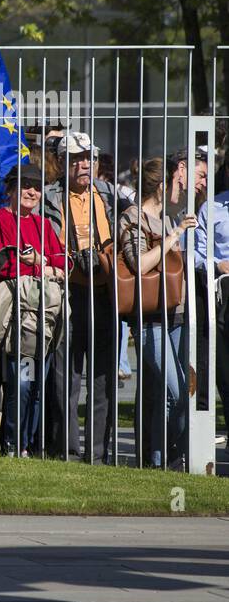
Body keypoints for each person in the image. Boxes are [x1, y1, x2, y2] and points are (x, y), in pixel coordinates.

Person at [42, 130, 130, 462]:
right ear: (62, 162)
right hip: (68, 291)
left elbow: (148, 204)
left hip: (105, 292)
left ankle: (98, 452)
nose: (83, 164)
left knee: (104, 378)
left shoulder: (109, 192)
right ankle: (67, 450)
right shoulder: (51, 195)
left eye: (88, 158)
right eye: (76, 158)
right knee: (67, 378)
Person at [0, 168, 68, 457]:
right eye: (25, 186)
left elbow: (64, 265)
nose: (32, 192)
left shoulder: (44, 225)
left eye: (36, 187)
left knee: (38, 385)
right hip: (18, 315)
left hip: (46, 313)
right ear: (11, 190)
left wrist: (37, 261)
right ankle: (13, 444)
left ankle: (26, 444)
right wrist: (40, 266)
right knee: (22, 383)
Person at [118, 158, 197, 471]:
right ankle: (162, 455)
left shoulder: (165, 217)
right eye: (176, 183)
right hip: (149, 317)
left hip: (174, 314)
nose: (180, 187)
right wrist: (175, 234)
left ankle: (161, 459)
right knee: (176, 392)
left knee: (165, 394)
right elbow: (139, 263)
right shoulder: (132, 218)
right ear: (162, 186)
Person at [193, 163, 229, 433]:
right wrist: (218, 264)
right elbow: (197, 252)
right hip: (223, 292)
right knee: (224, 371)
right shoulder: (211, 208)